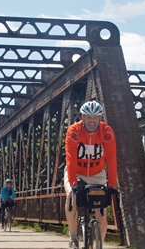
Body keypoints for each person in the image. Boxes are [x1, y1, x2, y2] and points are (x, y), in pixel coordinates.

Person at [64, 100, 117, 249]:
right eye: (88, 117)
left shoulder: (106, 132)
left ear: (100, 118)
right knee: (71, 197)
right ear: (83, 117)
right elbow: (71, 158)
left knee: (101, 214)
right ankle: (73, 237)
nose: (92, 121)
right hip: (76, 171)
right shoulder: (74, 131)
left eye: (95, 117)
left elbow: (111, 158)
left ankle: (99, 244)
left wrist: (112, 185)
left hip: (97, 173)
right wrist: (73, 183)